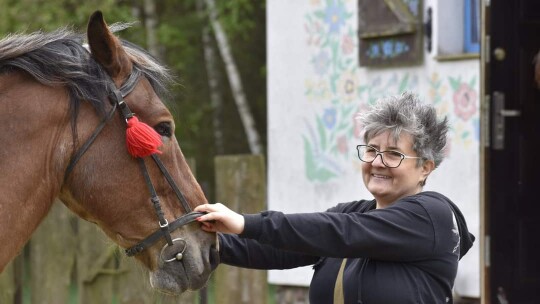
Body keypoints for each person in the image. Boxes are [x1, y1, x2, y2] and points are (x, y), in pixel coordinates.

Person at [195, 92, 475, 304]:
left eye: (393, 154)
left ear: (425, 167)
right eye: (371, 150)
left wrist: (246, 222)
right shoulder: (353, 213)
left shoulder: (431, 216)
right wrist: (209, 246)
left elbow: (341, 233)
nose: (377, 162)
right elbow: (285, 247)